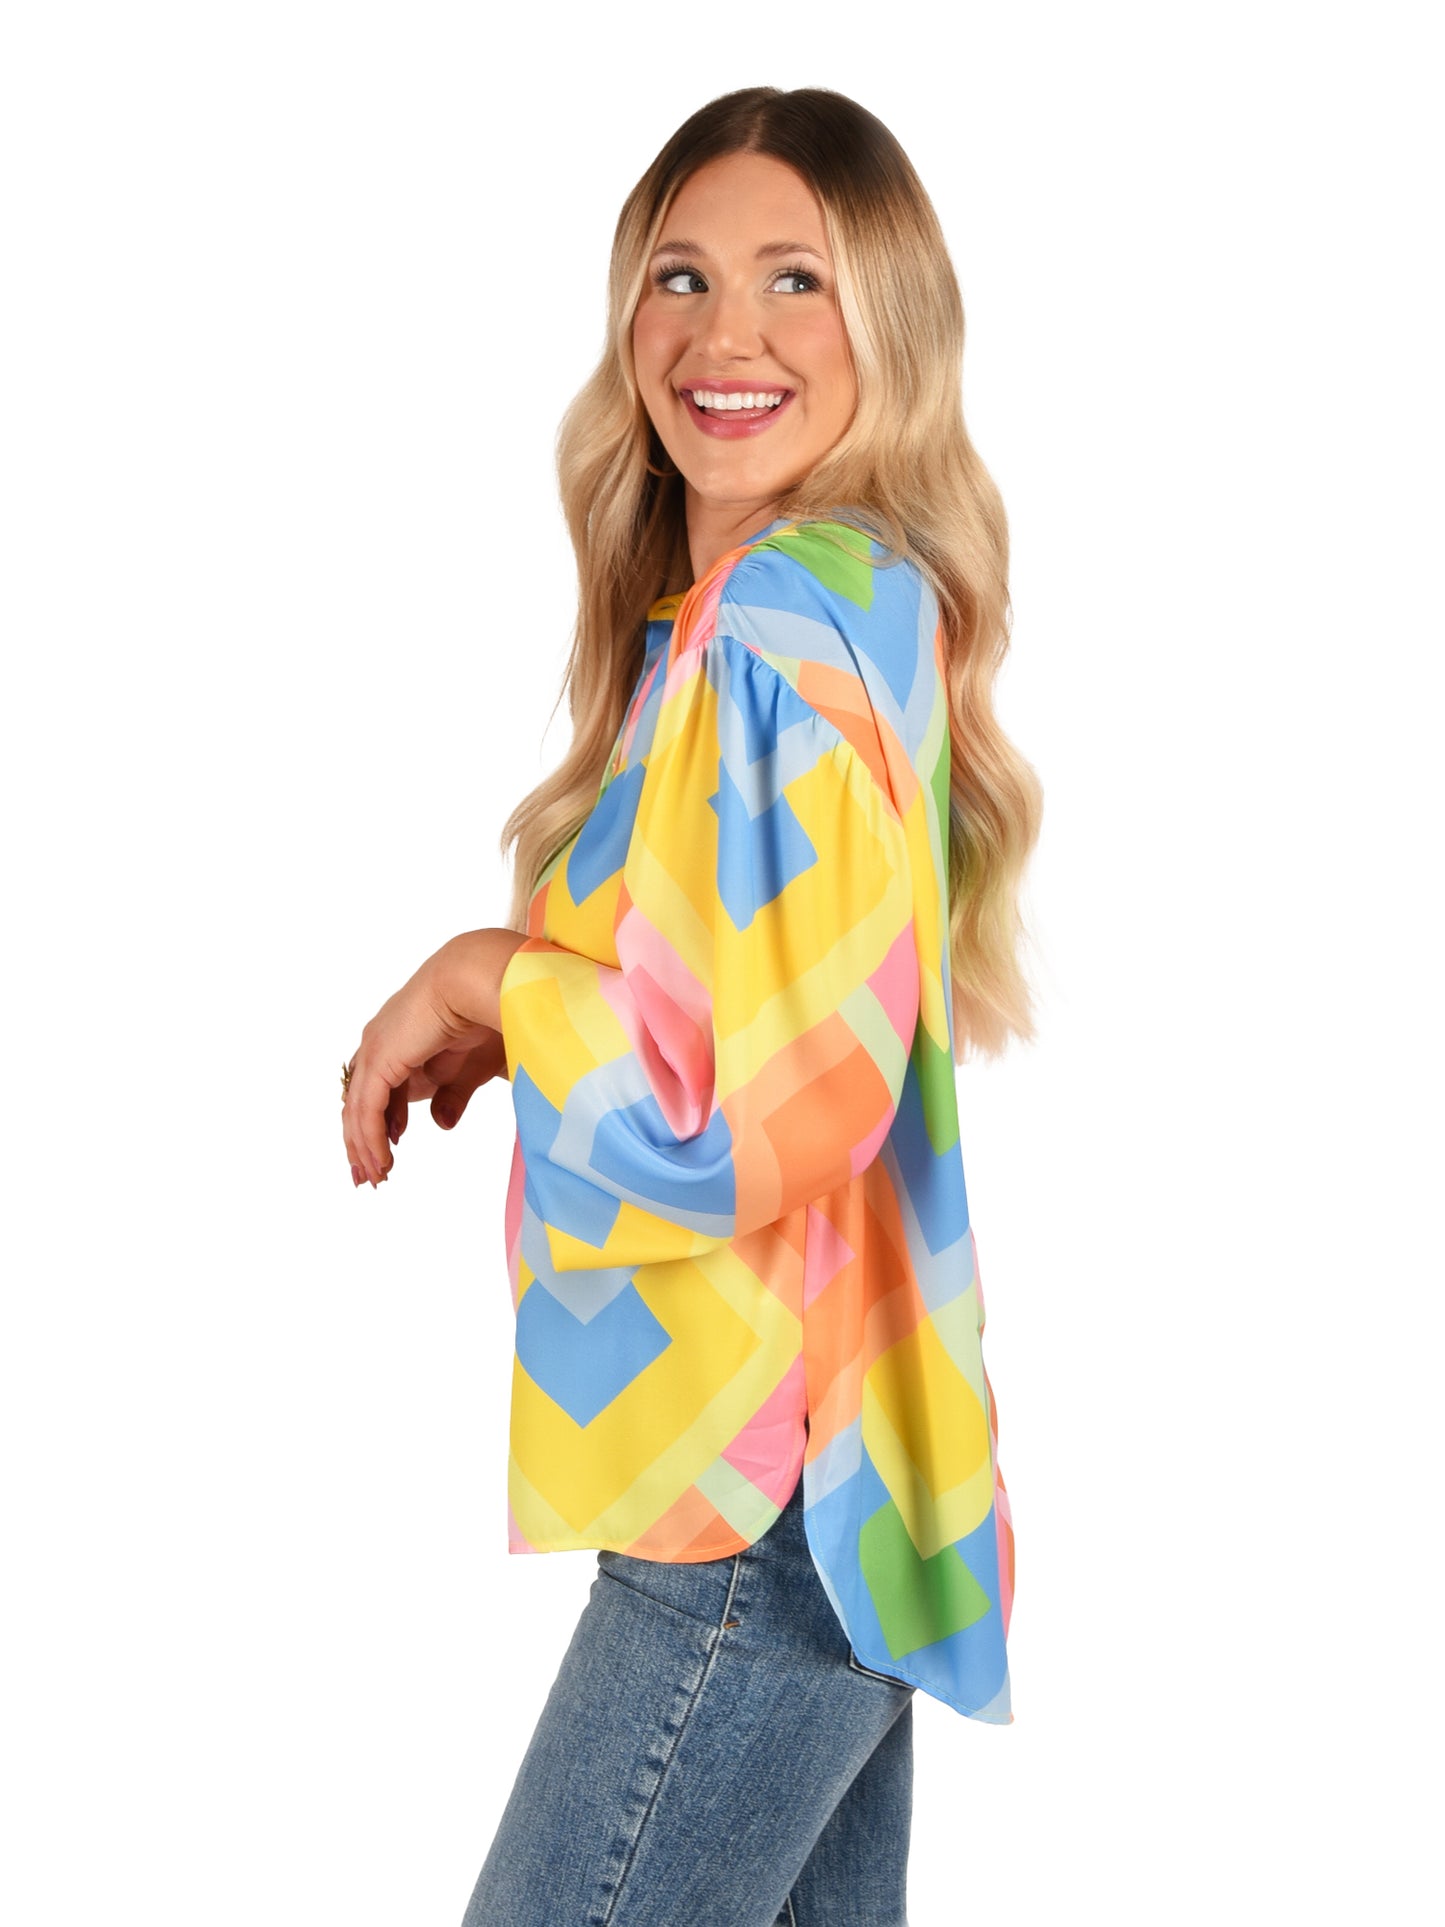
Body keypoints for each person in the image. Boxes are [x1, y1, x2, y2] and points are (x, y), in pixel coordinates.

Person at [341, 85, 1041, 1927]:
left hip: (755, 1505)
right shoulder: (850, 606)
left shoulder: (780, 634)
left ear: (888, 321)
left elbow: (761, 1115)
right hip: (835, 1497)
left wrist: (488, 976)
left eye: (796, 280)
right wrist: (542, 1006)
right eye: (681, 275)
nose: (726, 335)